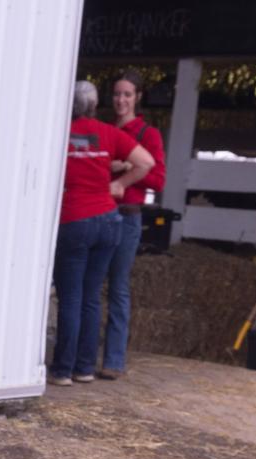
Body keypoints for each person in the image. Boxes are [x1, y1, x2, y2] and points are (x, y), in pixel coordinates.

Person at [49, 80, 153, 386]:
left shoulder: (61, 133)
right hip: (108, 220)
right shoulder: (109, 133)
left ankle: (62, 370)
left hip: (75, 219)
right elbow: (146, 162)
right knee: (92, 297)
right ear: (95, 105)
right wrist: (120, 185)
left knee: (70, 297)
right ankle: (84, 368)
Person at [100, 70, 166, 379]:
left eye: (127, 94)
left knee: (118, 288)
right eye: (116, 94)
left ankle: (114, 360)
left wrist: (127, 166)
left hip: (127, 214)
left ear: (137, 97)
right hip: (101, 214)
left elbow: (158, 177)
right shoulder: (105, 129)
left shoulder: (147, 135)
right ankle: (86, 358)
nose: (121, 100)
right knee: (90, 289)